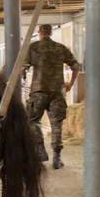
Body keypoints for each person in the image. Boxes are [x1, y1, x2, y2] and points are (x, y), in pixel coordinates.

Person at [24, 24, 80, 169]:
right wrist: (71, 84)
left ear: (40, 32)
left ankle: (41, 150)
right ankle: (57, 158)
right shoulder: (60, 48)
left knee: (33, 121)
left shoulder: (33, 47)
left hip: (38, 91)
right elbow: (75, 66)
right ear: (51, 32)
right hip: (57, 92)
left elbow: (23, 68)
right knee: (56, 125)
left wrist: (23, 81)